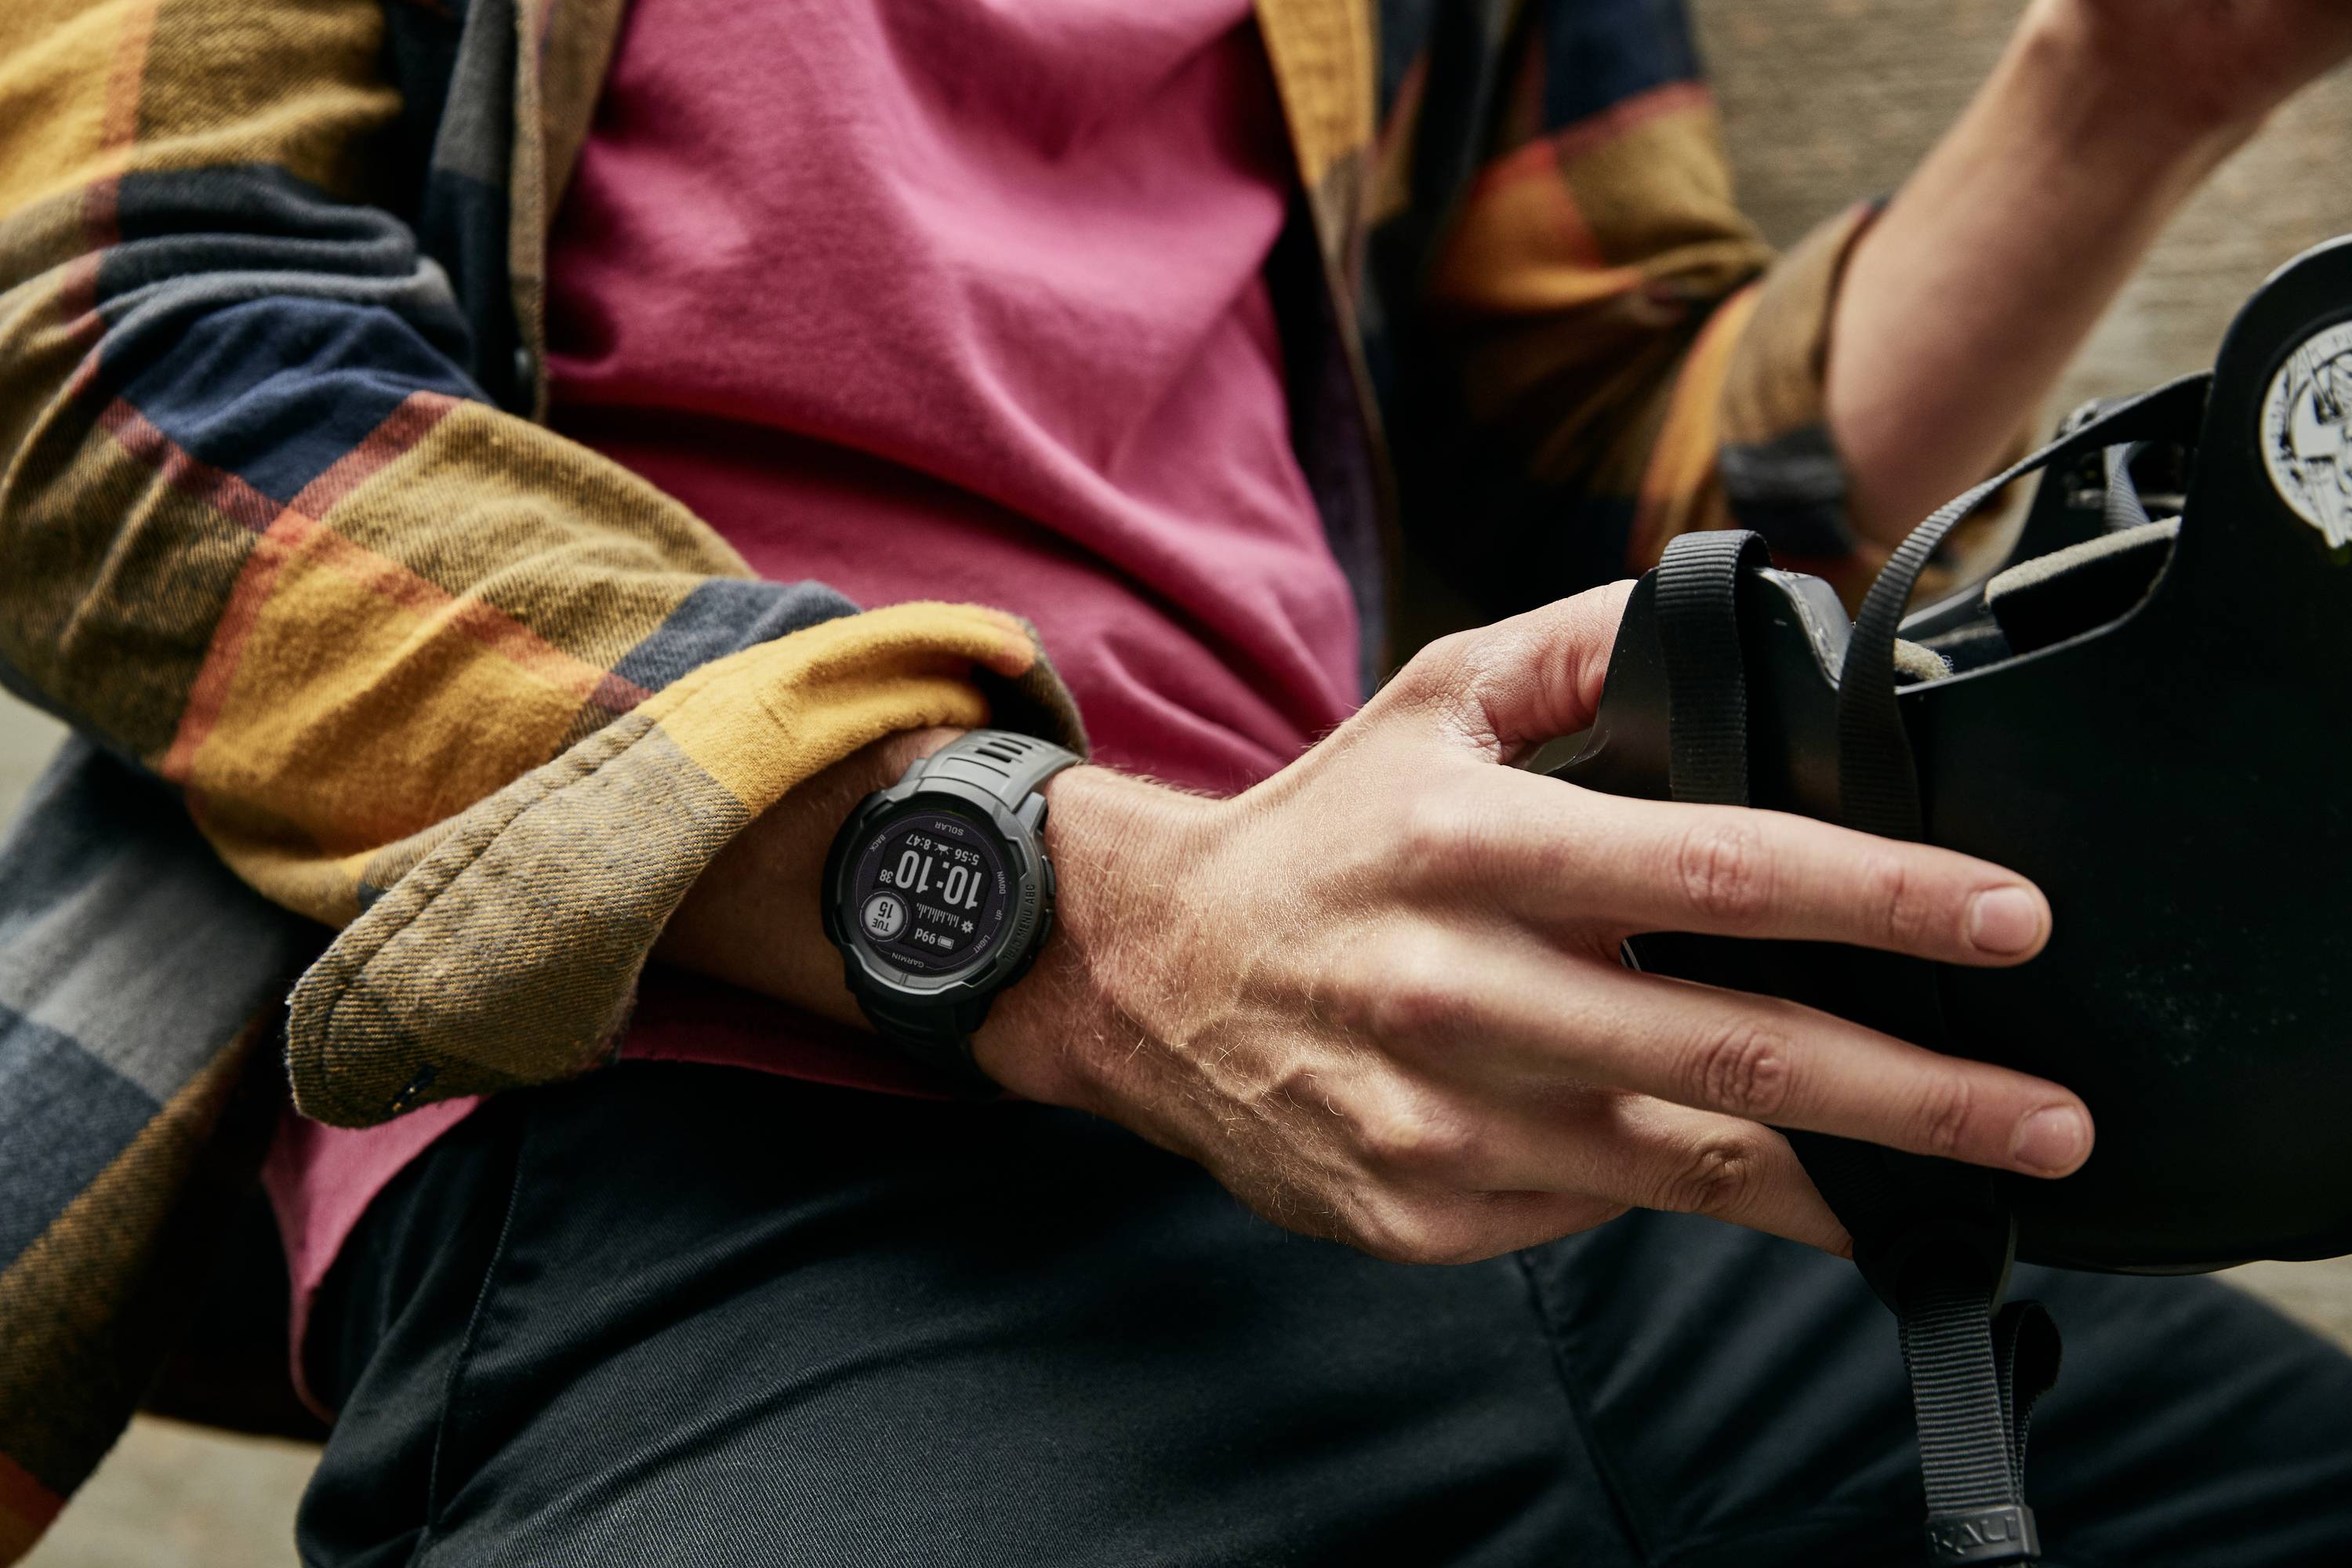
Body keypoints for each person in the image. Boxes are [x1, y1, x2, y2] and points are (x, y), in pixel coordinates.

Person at [2, 0, 2350, 1563]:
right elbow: (107, 346)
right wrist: (1076, 912)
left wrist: (2121, 98)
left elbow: (1634, 531)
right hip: (697, 1124)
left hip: (1491, 1092)